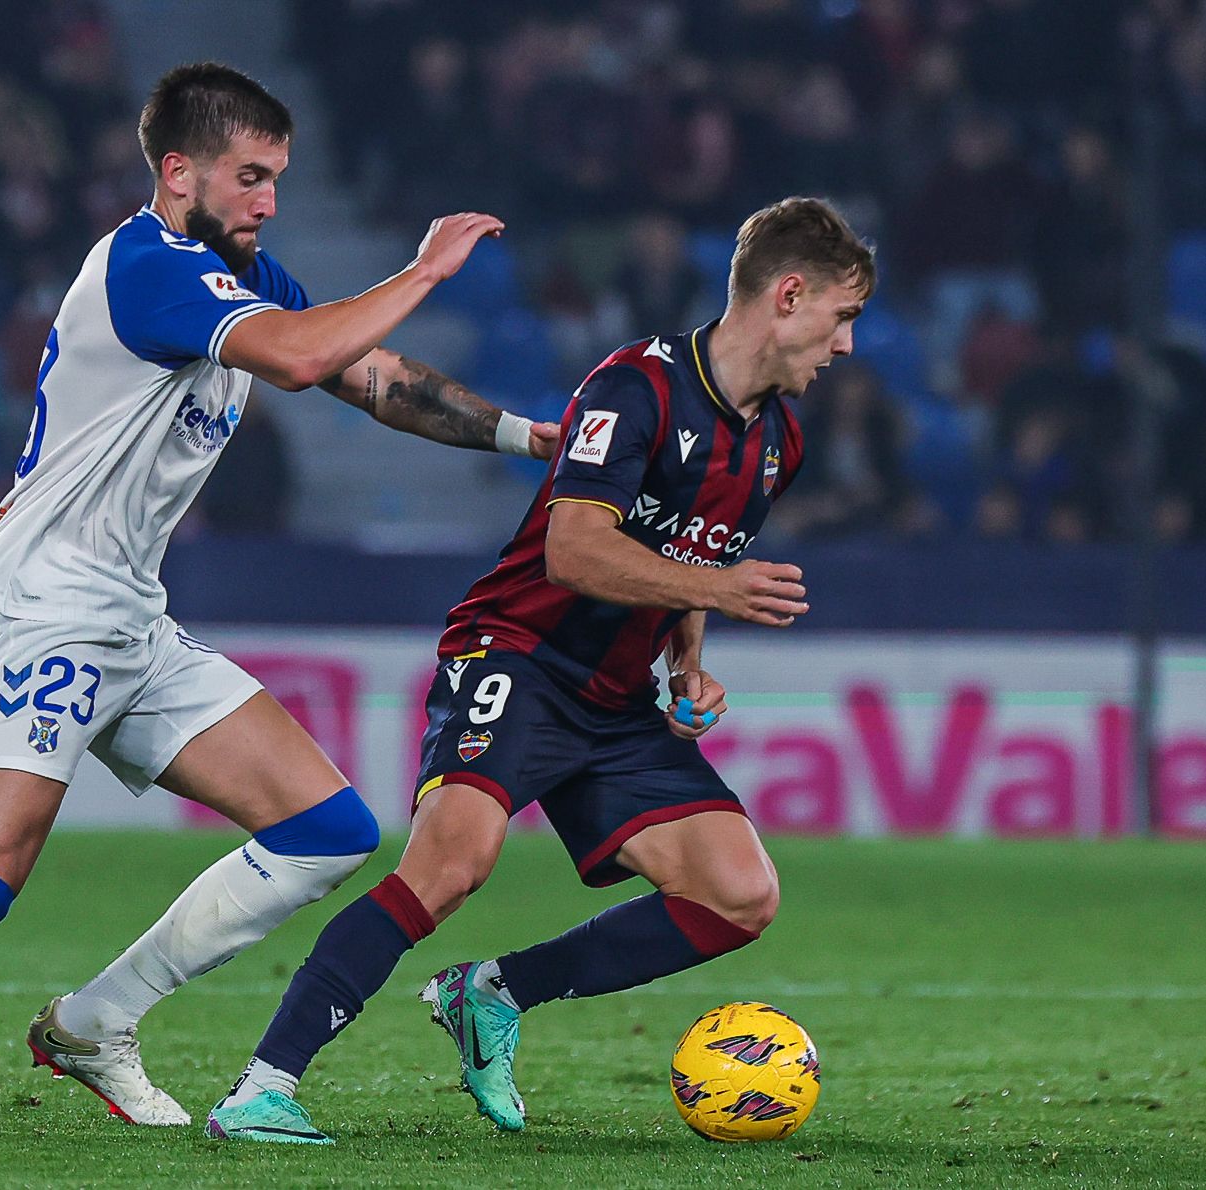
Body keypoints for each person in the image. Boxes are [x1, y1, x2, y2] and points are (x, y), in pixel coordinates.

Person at [0, 61, 558, 1136]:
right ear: (180, 174)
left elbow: (378, 377)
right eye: (251, 177)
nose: (270, 201)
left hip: (128, 613)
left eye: (278, 179)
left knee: (326, 828)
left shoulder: (237, 276)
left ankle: (97, 1018)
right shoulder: (147, 265)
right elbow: (310, 361)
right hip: (45, 608)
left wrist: (519, 437)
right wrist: (425, 268)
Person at [208, 196, 873, 1144]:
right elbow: (573, 551)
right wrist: (718, 590)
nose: (846, 346)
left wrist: (688, 657)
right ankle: (261, 1086)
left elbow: (692, 550)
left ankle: (494, 993)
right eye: (841, 318)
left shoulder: (778, 442)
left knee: (739, 894)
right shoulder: (634, 388)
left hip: (613, 698)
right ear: (790, 294)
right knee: (450, 864)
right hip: (518, 652)